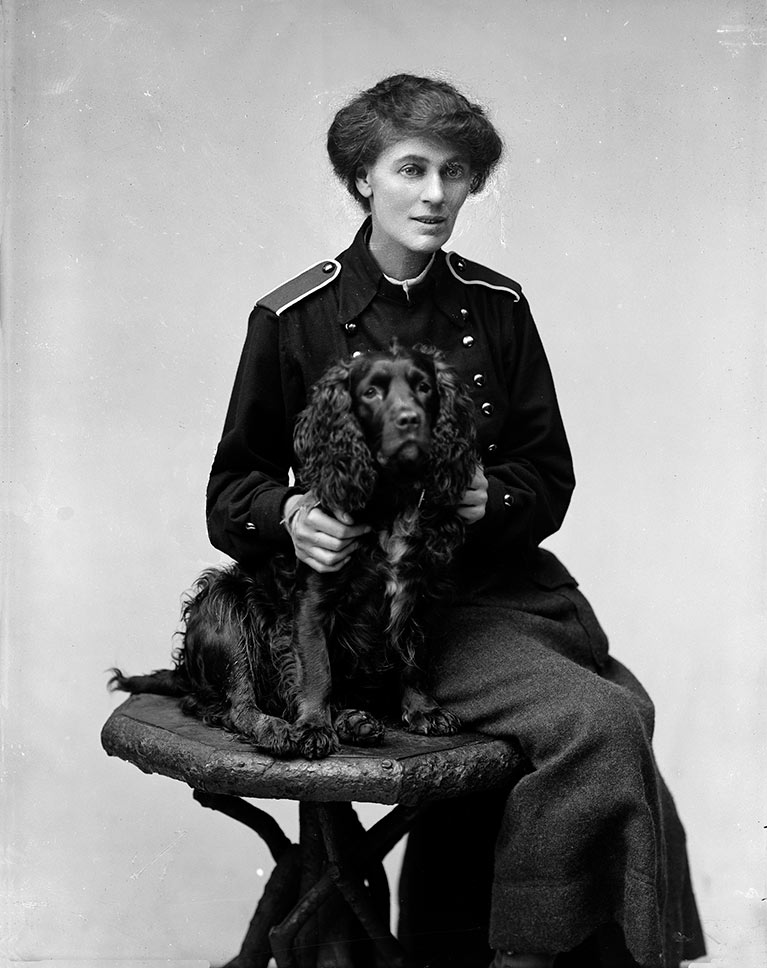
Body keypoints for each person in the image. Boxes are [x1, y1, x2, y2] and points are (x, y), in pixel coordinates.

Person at [205, 74, 705, 968]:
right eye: (411, 169)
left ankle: (465, 944)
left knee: (623, 707)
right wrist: (289, 514)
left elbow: (546, 474)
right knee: (598, 722)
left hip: (506, 592)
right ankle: (528, 956)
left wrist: (493, 498)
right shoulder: (292, 318)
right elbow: (230, 489)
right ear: (363, 178)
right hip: (393, 621)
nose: (436, 195)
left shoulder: (498, 305)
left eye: (456, 172)